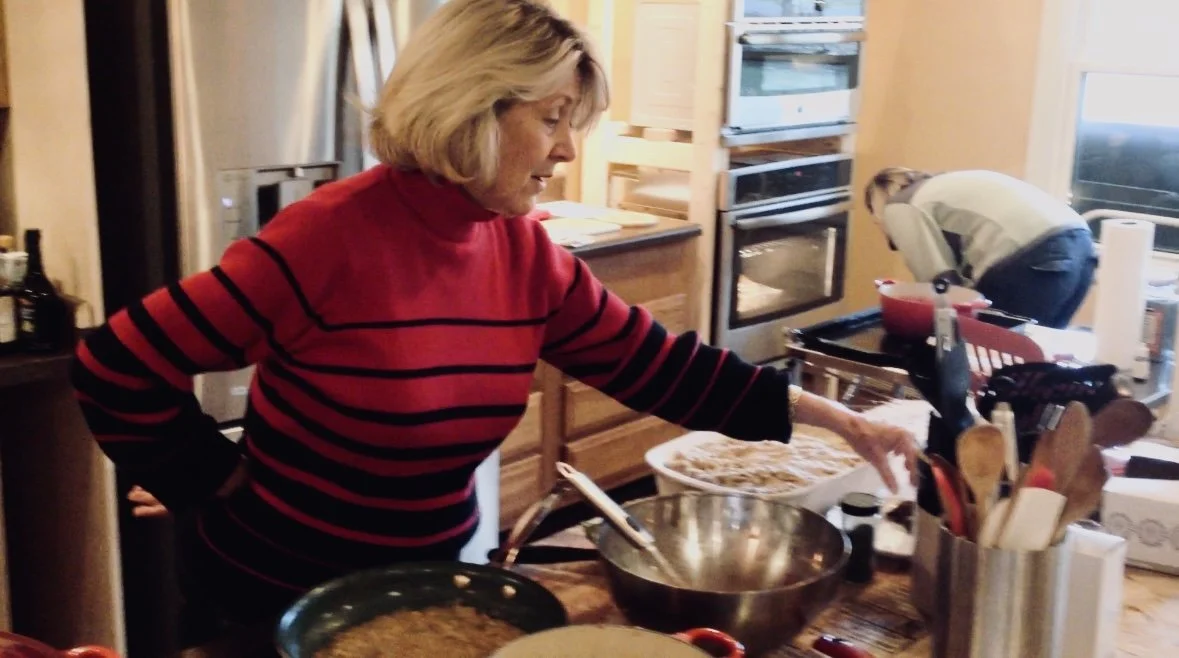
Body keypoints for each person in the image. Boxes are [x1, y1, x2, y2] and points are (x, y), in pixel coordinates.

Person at [72, 0, 916, 645]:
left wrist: (842, 425)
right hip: (274, 603)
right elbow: (117, 363)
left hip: (435, 592)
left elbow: (662, 366)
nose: (565, 150)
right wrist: (197, 474)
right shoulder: (327, 238)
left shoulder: (520, 252)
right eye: (551, 119)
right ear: (474, 110)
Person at [864, 167, 1098, 328]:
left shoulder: (899, 206)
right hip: (1082, 250)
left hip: (1032, 258)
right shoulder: (946, 187)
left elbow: (943, 288)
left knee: (988, 359)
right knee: (1036, 365)